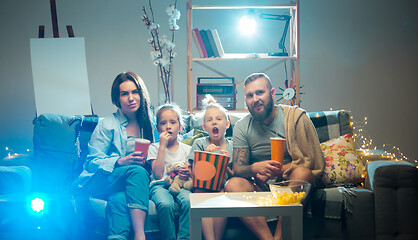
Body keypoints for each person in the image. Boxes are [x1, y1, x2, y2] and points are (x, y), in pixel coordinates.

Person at [224, 73, 325, 240]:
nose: (255, 99)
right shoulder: (242, 126)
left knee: (302, 174)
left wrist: (276, 171)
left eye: (259, 93)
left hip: (288, 183)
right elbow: (239, 169)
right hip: (259, 186)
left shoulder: (295, 117)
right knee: (233, 184)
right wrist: (255, 168)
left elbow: (310, 160)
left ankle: (278, 237)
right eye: (250, 95)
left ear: (271, 93)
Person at [75, 72, 155, 240]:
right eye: (124, 93)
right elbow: (91, 163)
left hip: (128, 186)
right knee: (137, 171)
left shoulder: (150, 123)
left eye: (134, 92)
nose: (131, 98)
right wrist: (119, 161)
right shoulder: (108, 123)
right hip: (101, 179)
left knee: (118, 200)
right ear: (117, 99)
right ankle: (140, 235)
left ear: (141, 94)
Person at [187, 94, 233, 240]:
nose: (214, 122)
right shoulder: (200, 143)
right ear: (204, 126)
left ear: (227, 124)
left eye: (219, 119)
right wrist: (206, 157)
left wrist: (225, 165)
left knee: (222, 197)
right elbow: (193, 170)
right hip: (202, 187)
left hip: (221, 187)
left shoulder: (232, 146)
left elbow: (234, 176)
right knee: (201, 195)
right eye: (209, 120)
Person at [147, 103, 192, 240]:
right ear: (157, 128)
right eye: (163, 123)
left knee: (189, 201)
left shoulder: (187, 149)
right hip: (160, 185)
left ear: (180, 126)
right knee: (165, 204)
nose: (168, 126)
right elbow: (158, 174)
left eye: (172, 122)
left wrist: (187, 173)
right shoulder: (154, 148)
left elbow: (191, 172)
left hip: (181, 185)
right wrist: (162, 147)